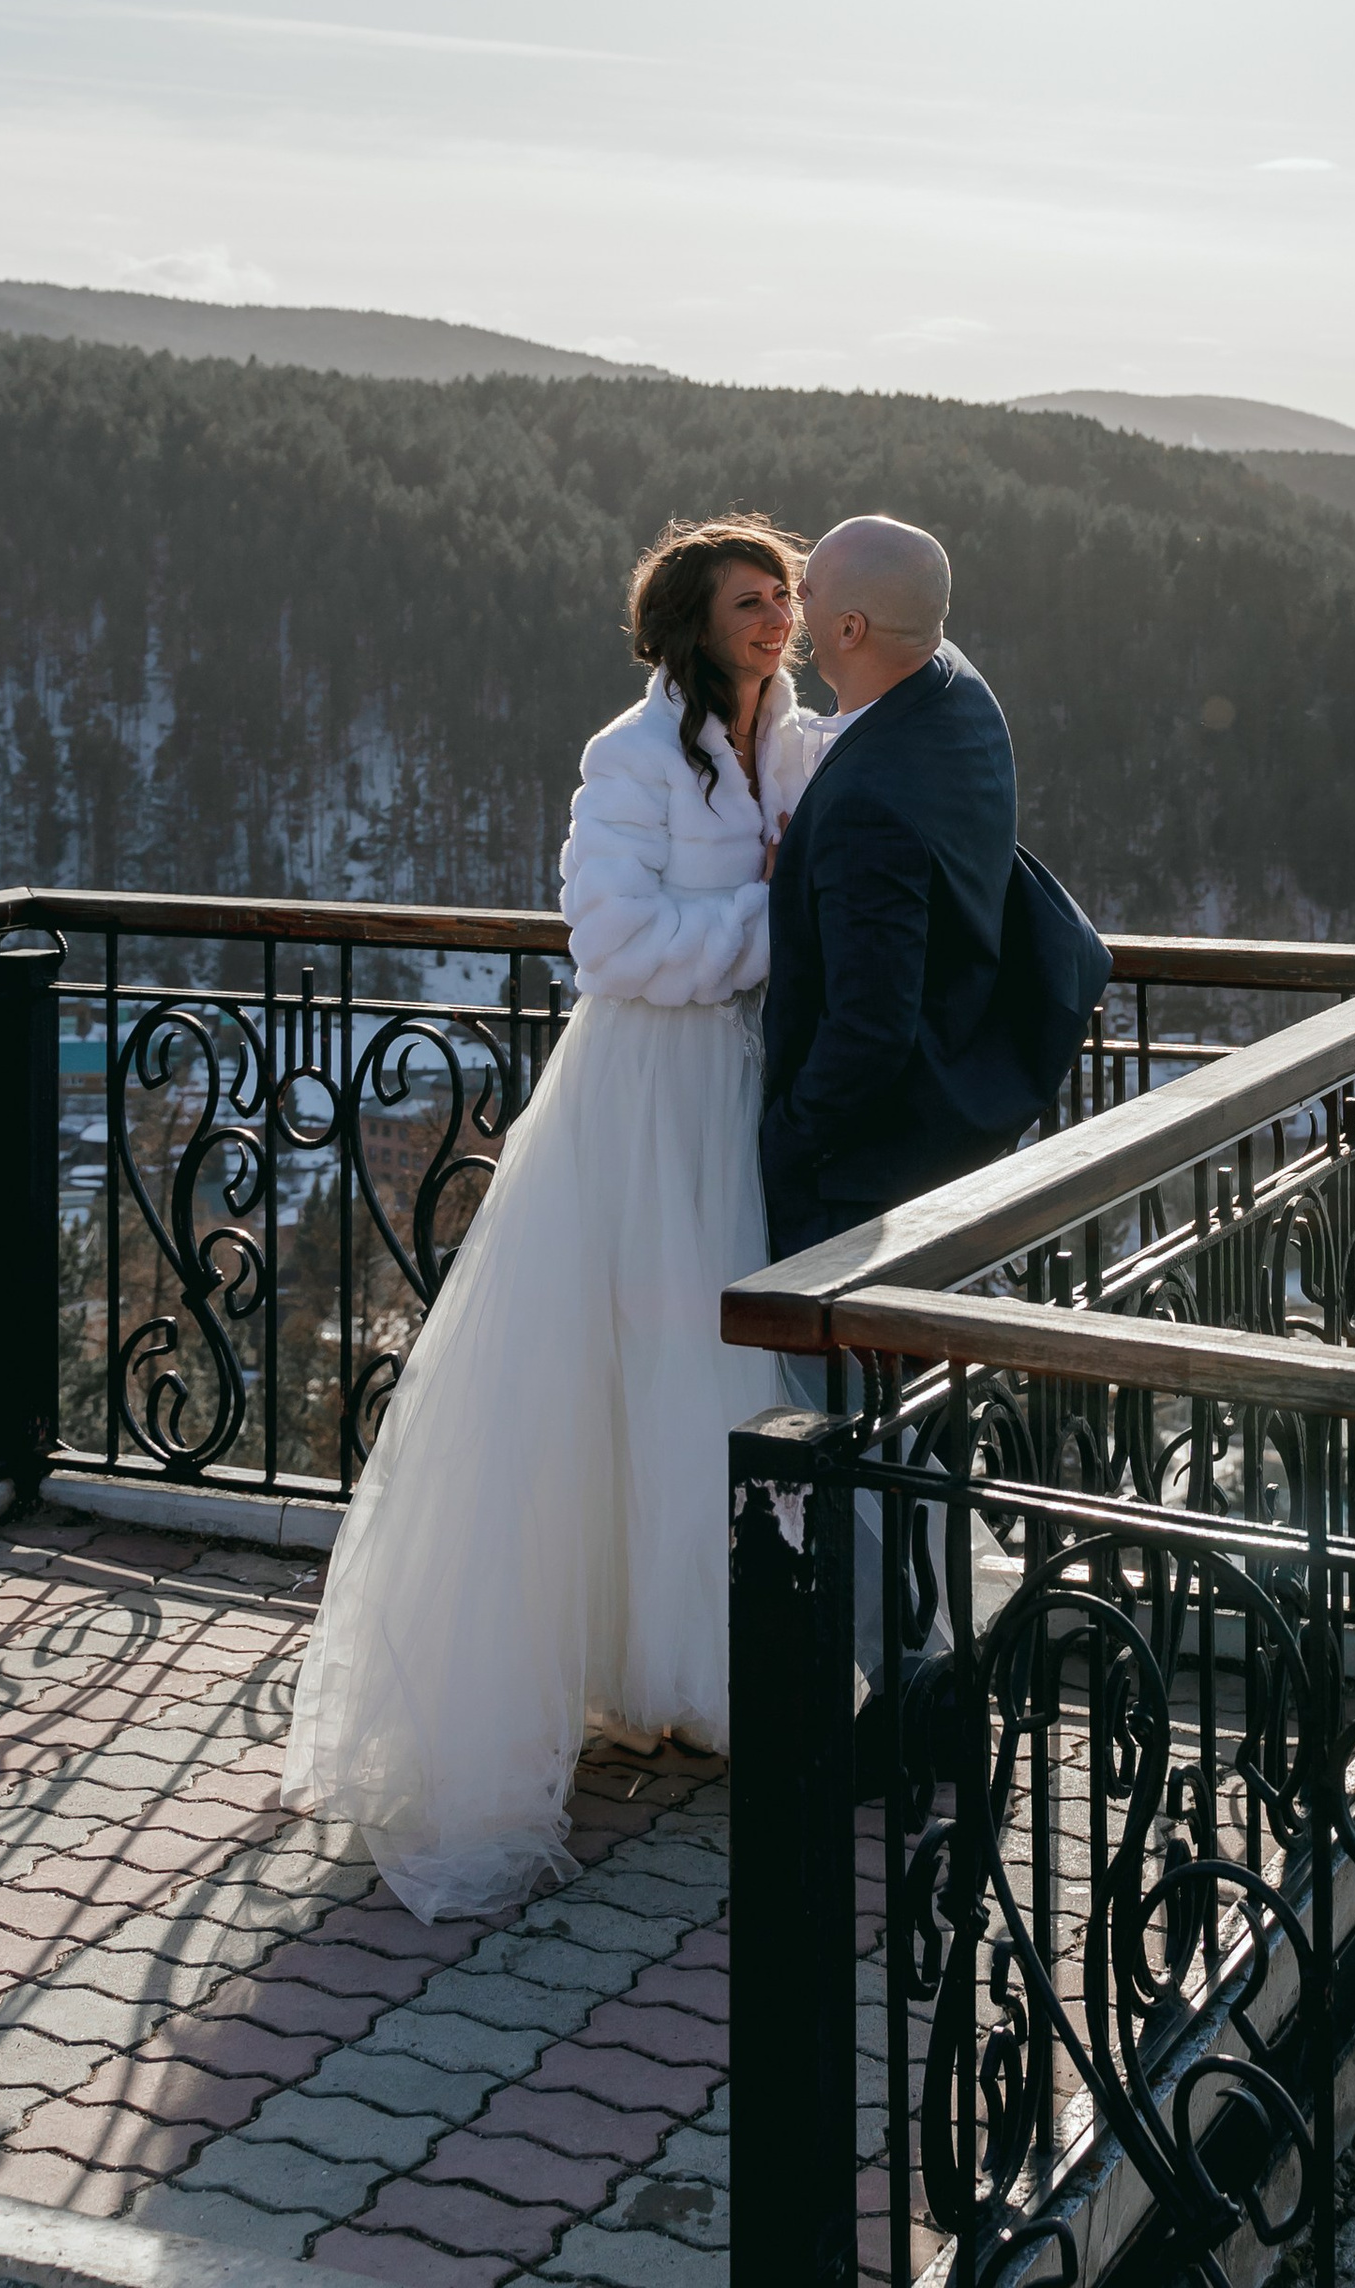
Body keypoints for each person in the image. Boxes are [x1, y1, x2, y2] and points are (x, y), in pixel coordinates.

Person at [282, 515, 825, 1921]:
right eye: (750, 600)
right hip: (644, 1100)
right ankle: (609, 1665)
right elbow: (616, 946)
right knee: (621, 1362)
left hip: (758, 1098)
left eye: (787, 595)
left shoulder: (806, 746)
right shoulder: (629, 759)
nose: (778, 618)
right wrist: (776, 931)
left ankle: (703, 1667)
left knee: (730, 1374)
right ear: (691, 624)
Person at [760, 513, 1111, 1267]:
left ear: (848, 628)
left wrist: (784, 1142)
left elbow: (868, 1028)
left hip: (861, 1177)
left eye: (806, 589)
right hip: (952, 1112)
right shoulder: (953, 683)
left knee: (837, 1382)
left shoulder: (866, 807)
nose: (793, 603)